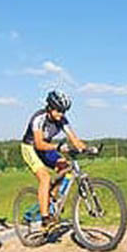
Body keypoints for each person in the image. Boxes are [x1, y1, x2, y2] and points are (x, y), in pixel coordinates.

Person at [21, 90, 93, 231]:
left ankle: (51, 199)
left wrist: (88, 149)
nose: (61, 114)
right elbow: (38, 144)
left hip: (45, 148)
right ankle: (45, 218)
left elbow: (75, 140)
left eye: (64, 111)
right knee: (45, 178)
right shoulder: (39, 118)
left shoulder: (62, 120)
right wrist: (58, 147)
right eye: (59, 110)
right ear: (50, 107)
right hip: (30, 147)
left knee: (66, 168)